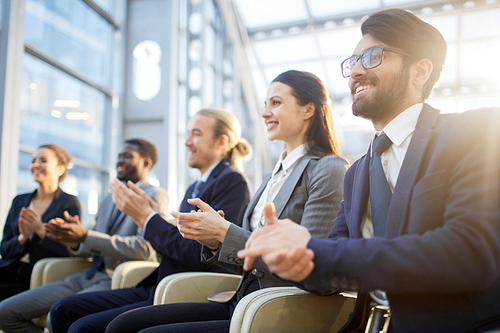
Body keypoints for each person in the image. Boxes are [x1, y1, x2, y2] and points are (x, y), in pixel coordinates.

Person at [237, 9, 500, 333]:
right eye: (353, 61)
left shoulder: (476, 131)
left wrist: (314, 250)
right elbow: (331, 263)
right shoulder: (357, 172)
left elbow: (469, 252)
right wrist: (294, 261)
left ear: (420, 71)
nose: (356, 71)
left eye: (373, 56)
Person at [105, 70, 349, 333]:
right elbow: (245, 259)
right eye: (265, 105)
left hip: (274, 309)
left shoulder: (328, 168)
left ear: (308, 109)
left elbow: (311, 261)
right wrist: (214, 242)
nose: (265, 113)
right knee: (123, 325)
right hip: (241, 300)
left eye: (276, 103)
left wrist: (225, 232)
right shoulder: (272, 176)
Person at [48, 108, 252, 333]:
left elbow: (199, 254)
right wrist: (152, 217)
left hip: (178, 288)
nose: (187, 142)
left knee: (82, 327)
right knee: (63, 309)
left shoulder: (232, 181)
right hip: (158, 283)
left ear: (221, 142)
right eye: (187, 133)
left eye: (196, 134)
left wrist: (147, 217)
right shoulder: (196, 185)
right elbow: (182, 240)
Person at [0, 138, 169, 333]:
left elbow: (148, 249)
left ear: (146, 163)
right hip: (87, 274)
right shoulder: (110, 198)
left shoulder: (155, 194)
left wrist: (86, 237)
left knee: (58, 317)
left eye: (127, 156)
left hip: (114, 279)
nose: (119, 161)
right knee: (5, 312)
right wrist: (74, 240)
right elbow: (92, 239)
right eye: (118, 156)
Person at [0, 144, 80, 301]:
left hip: (39, 278)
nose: (35, 165)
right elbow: (4, 248)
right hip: (9, 269)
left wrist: (40, 231)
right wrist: (23, 237)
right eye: (33, 160)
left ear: (60, 169)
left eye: (43, 160)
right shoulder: (19, 201)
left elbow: (68, 252)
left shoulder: (69, 203)